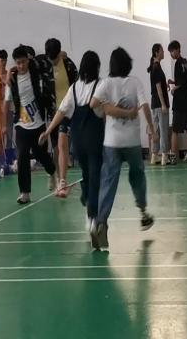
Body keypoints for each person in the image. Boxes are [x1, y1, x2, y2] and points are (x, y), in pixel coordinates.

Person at [89, 47, 155, 251]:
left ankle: (101, 222)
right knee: (137, 176)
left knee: (108, 182)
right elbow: (145, 106)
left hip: (111, 142)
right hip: (132, 141)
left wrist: (107, 108)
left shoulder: (106, 83)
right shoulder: (135, 82)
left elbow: (92, 104)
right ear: (128, 64)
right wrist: (152, 129)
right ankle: (143, 213)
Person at [39, 51, 104, 234]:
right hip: (95, 140)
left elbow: (61, 111)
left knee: (87, 174)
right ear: (97, 67)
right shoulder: (101, 85)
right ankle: (92, 217)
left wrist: (48, 131)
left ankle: (87, 200)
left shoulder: (74, 88)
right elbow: (106, 112)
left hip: (78, 142)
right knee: (95, 178)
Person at [4, 45, 57, 204]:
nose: (21, 66)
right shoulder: (12, 80)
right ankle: (24, 192)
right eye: (18, 63)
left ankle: (52, 172)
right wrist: (4, 125)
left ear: (28, 60)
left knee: (41, 155)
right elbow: (6, 102)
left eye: (23, 62)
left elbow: (48, 58)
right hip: (21, 125)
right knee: (22, 156)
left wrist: (10, 69)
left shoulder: (36, 72)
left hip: (38, 124)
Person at [37, 38, 78, 197]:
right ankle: (56, 175)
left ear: (60, 53)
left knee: (62, 145)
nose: (53, 62)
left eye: (55, 58)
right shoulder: (43, 63)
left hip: (69, 110)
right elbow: (29, 60)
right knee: (56, 147)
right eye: (50, 58)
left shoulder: (69, 65)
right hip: (53, 112)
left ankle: (62, 181)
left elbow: (78, 85)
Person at [167, 40, 187, 165]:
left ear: (177, 49)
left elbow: (180, 84)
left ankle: (172, 156)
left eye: (172, 51)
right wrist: (173, 82)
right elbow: (183, 80)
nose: (171, 54)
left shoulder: (178, 63)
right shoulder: (185, 62)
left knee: (175, 130)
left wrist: (173, 89)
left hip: (180, 102)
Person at [148, 44, 170, 166]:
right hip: (159, 104)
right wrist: (163, 104)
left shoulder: (154, 66)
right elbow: (157, 87)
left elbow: (159, 85)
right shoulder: (156, 67)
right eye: (162, 50)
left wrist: (165, 85)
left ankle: (154, 155)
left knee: (156, 130)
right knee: (163, 129)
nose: (163, 52)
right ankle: (164, 155)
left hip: (154, 104)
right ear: (156, 53)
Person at [0, 49, 14, 152]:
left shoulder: (9, 74)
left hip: (9, 107)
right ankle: (0, 154)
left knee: (9, 133)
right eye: (2, 60)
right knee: (0, 133)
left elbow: (12, 91)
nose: (4, 62)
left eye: (5, 60)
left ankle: (9, 154)